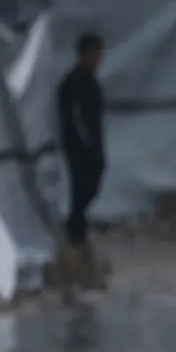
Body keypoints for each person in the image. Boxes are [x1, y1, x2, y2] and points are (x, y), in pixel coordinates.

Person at [57, 32, 106, 248]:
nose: (97, 58)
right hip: (78, 145)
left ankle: (77, 223)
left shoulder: (91, 81)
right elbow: (75, 118)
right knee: (81, 186)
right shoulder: (73, 82)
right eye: (93, 53)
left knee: (92, 183)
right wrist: (87, 143)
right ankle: (76, 229)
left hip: (92, 142)